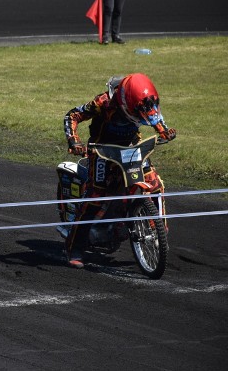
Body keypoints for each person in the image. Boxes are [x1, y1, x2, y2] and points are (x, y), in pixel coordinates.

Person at [63, 73, 177, 268]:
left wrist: (163, 130)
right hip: (102, 150)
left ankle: (157, 230)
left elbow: (154, 115)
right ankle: (75, 248)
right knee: (95, 197)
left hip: (132, 148)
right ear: (125, 103)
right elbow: (72, 116)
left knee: (154, 183)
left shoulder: (143, 102)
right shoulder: (103, 102)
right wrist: (74, 141)